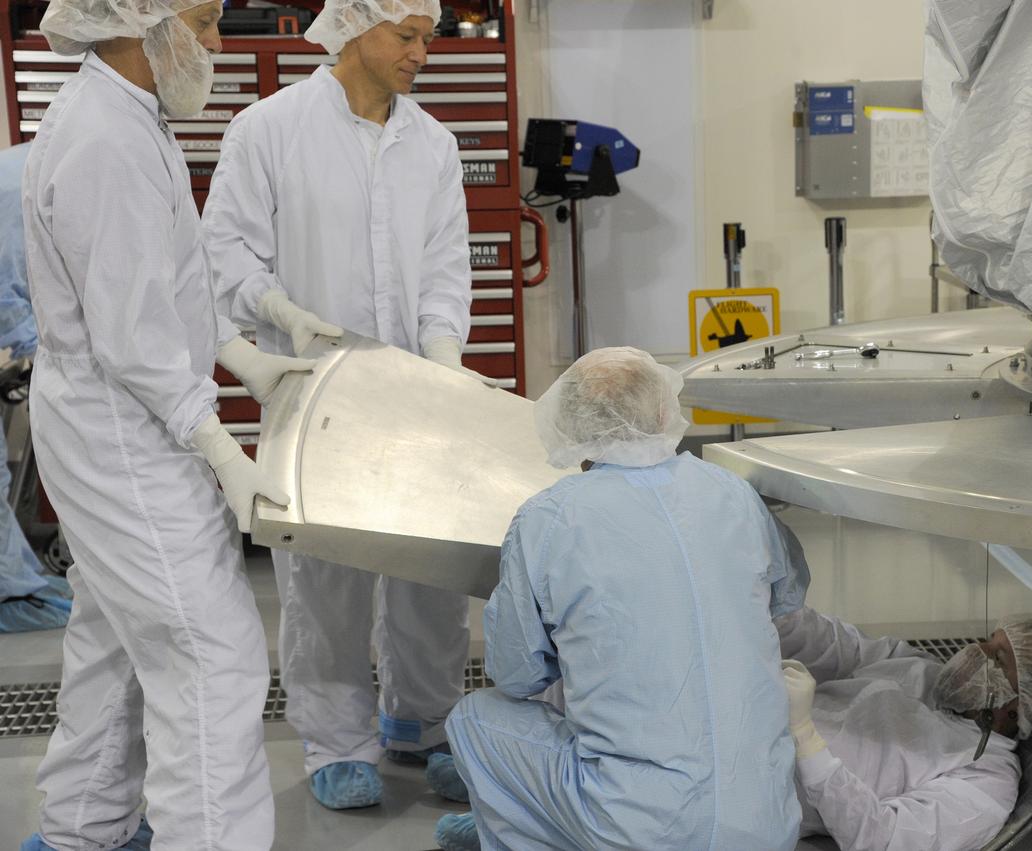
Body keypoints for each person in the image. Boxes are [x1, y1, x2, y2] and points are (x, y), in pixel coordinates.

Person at [18, 0, 319, 846]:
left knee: (118, 633)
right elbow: (132, 335)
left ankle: (84, 827)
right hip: (123, 430)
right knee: (208, 649)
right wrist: (218, 443)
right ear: (138, 20)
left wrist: (238, 353)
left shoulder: (124, 114)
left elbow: (163, 283)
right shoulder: (104, 141)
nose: (218, 43)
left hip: (120, 418)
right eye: (206, 21)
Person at [202, 0, 482, 811]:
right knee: (325, 579)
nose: (422, 52)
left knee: (431, 567)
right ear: (356, 26)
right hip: (314, 391)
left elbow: (445, 264)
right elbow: (225, 251)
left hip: (415, 396)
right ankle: (336, 738)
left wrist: (444, 353)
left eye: (428, 36)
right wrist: (276, 309)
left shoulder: (431, 142)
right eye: (407, 35)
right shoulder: (269, 130)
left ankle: (422, 720)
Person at [435, 347, 806, 851]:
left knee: (475, 719)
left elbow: (516, 675)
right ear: (664, 410)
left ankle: (532, 833)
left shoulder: (548, 517)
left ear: (569, 425)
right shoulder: (732, 492)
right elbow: (788, 596)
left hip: (641, 830)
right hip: (767, 825)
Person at [779, 606, 1032, 851]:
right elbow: (841, 646)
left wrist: (807, 739)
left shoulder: (987, 783)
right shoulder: (925, 671)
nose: (976, 649)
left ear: (1020, 706)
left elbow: (883, 839)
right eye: (988, 639)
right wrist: (780, 609)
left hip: (764, 792)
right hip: (755, 717)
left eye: (997, 657)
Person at [0, 142, 71, 634]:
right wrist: (33, 351)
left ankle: (14, 582)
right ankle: (12, 592)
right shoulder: (25, 185)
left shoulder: (39, 163)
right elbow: (7, 283)